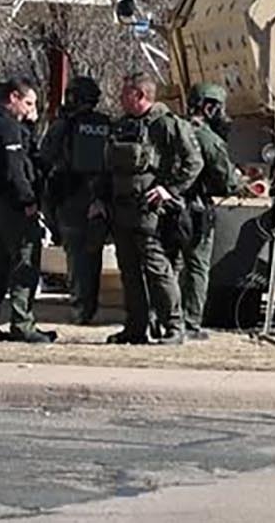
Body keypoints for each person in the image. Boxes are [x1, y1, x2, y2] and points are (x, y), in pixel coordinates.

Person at [105, 72, 203, 346]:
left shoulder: (168, 125)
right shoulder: (122, 126)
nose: (121, 98)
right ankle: (135, 327)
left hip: (149, 210)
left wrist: (168, 190)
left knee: (157, 269)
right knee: (129, 271)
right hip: (121, 209)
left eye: (126, 93)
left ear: (140, 95)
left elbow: (193, 162)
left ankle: (174, 326)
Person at [0, 78, 55, 344]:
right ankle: (22, 323)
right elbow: (15, 167)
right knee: (25, 262)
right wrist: (28, 199)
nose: (30, 109)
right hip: (13, 203)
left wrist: (28, 125)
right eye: (28, 103)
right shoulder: (6, 125)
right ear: (14, 97)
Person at [39, 76, 112, 325]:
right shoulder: (106, 124)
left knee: (77, 257)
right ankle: (87, 304)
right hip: (100, 197)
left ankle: (81, 307)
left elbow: (46, 157)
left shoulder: (64, 126)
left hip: (70, 197)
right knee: (92, 254)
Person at [174, 82, 242, 340]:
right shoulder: (208, 138)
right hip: (194, 209)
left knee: (168, 265)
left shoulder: (172, 127)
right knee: (196, 266)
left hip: (164, 207)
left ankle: (164, 318)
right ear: (209, 106)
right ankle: (190, 322)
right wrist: (242, 182)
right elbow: (227, 181)